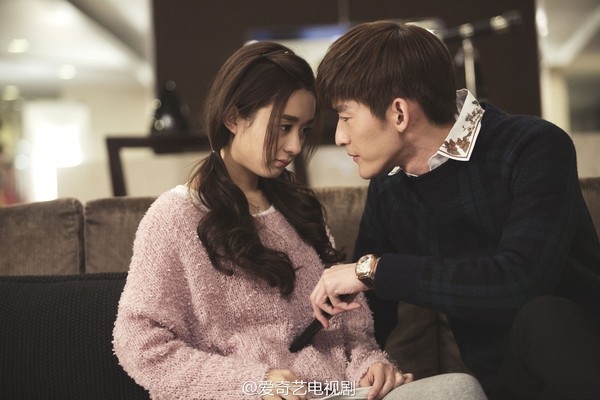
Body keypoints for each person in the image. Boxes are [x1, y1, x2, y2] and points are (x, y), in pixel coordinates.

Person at [113, 41, 488, 400]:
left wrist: (371, 366)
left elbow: (352, 331)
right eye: (284, 126)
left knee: (459, 390)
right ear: (233, 117)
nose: (295, 146)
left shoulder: (300, 210)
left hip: (339, 394)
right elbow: (140, 345)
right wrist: (254, 384)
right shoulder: (173, 217)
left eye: (303, 130)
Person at [309, 20, 600, 400]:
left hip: (578, 357)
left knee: (544, 316)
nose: (339, 136)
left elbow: (520, 283)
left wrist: (375, 271)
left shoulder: (534, 147)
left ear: (399, 113)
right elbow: (369, 314)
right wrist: (362, 361)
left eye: (346, 117)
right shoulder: (389, 188)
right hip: (506, 386)